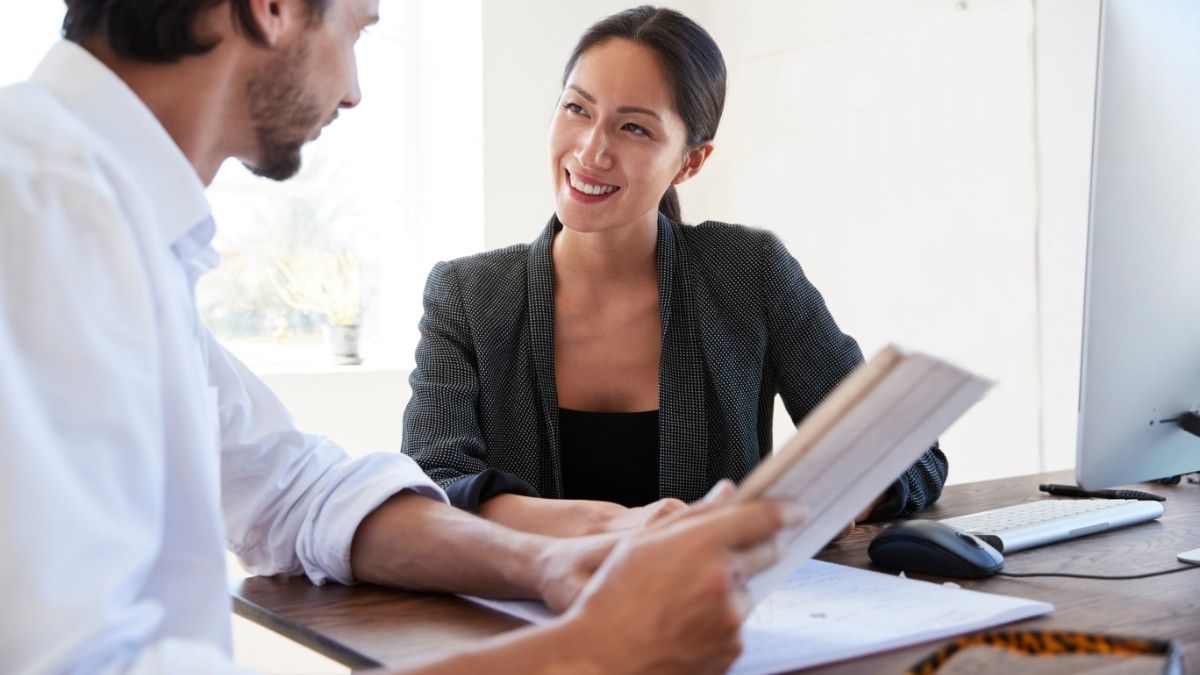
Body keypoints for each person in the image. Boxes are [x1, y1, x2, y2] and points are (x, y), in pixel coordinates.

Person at [0, 1, 803, 673]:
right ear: (272, 9)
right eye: (357, 29)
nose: (353, 91)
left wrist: (553, 560)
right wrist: (591, 650)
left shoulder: (102, 215)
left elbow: (297, 493)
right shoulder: (38, 208)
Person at [403, 5, 949, 537]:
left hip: (715, 595)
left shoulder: (749, 272)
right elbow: (433, 490)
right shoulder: (466, 296)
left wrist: (836, 494)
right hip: (532, 597)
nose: (592, 151)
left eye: (634, 128)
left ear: (691, 161)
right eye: (577, 109)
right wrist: (623, 524)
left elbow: (911, 456)